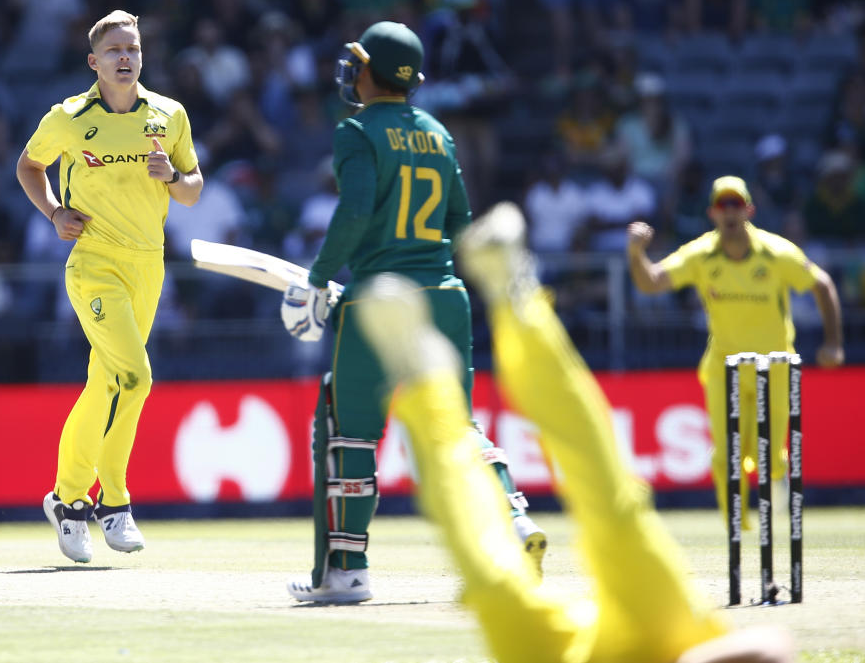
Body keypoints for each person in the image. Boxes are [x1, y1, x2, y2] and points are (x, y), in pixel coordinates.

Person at [351, 201, 795, 663]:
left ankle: (425, 382)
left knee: (493, 586)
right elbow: (773, 648)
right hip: (669, 642)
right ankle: (519, 300)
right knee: (614, 513)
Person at [280, 21, 545, 603]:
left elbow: (352, 214)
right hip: (445, 294)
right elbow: (458, 224)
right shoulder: (438, 132)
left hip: (381, 297)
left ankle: (346, 572)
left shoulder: (356, 131)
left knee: (349, 435)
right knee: (457, 427)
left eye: (358, 62)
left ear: (369, 70)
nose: (350, 71)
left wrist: (317, 279)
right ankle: (515, 520)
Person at [15, 10, 203, 563]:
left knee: (105, 386)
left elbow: (192, 190)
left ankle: (66, 501)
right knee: (136, 377)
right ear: (94, 62)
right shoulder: (70, 117)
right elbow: (29, 166)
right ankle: (114, 502)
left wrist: (172, 176)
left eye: (135, 48)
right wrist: (53, 213)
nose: (127, 56)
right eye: (116, 49)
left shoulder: (169, 114)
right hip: (94, 264)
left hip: (150, 265)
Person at [626, 176, 844, 526]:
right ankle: (738, 532)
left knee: (770, 455)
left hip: (774, 364)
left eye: (736, 204)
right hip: (724, 365)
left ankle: (775, 517)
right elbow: (651, 282)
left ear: (749, 210)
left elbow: (822, 284)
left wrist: (833, 342)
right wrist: (636, 254)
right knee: (727, 455)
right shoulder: (700, 254)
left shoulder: (776, 253)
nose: (729, 212)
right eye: (723, 205)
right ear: (712, 212)